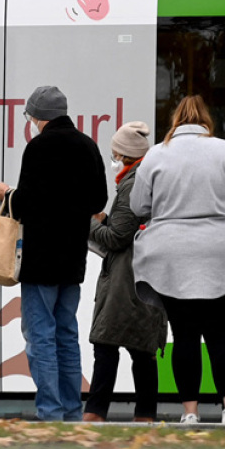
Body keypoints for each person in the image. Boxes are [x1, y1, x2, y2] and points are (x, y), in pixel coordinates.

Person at [0, 86, 107, 422]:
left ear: (37, 116)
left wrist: (4, 193)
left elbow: (26, 202)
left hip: (40, 258)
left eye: (29, 116)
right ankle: (71, 411)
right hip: (73, 257)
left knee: (40, 334)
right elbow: (98, 201)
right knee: (66, 333)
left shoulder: (38, 148)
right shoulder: (88, 146)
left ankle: (50, 411)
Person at [131, 95, 225, 425]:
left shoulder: (155, 155)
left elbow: (139, 205)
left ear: (175, 121)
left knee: (184, 335)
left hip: (171, 257)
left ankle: (190, 413)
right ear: (206, 121)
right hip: (221, 253)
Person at [83, 122, 166, 422]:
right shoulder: (141, 177)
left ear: (125, 154)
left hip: (125, 280)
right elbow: (125, 227)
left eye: (115, 152)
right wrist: (105, 218)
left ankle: (94, 414)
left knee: (107, 346)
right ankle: (145, 416)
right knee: (139, 349)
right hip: (139, 277)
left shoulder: (132, 183)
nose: (112, 158)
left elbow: (117, 237)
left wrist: (87, 222)